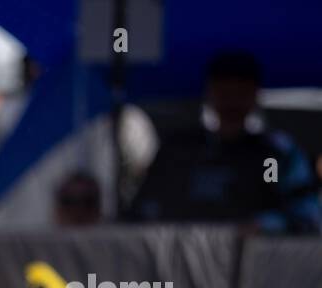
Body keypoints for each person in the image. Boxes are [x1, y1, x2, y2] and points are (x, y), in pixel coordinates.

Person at [129, 50, 321, 234]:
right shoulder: (178, 151)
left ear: (254, 95)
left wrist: (264, 226)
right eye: (225, 92)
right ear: (210, 92)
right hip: (178, 258)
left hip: (253, 261)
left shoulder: (274, 156)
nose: (232, 102)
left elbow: (307, 215)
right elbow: (143, 209)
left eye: (240, 93)